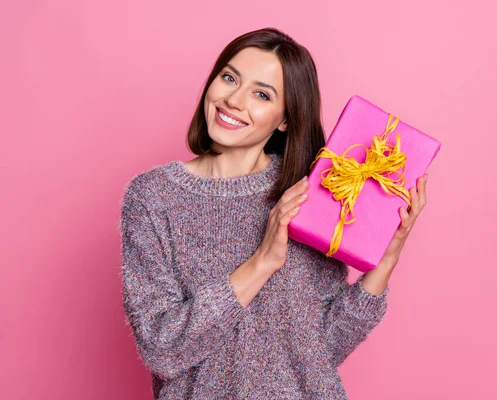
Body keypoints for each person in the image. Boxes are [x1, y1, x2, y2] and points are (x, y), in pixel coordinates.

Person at [119, 27, 428, 400]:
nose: (233, 100)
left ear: (285, 118)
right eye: (229, 77)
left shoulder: (308, 192)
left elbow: (321, 349)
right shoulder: (153, 197)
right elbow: (162, 348)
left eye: (261, 94)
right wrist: (263, 261)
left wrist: (386, 256)